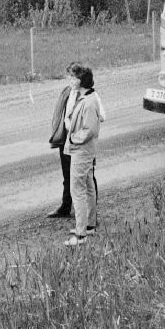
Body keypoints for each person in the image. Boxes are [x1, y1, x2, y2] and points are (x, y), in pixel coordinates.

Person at [63, 63, 105, 246]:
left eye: (73, 77)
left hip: (82, 151)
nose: (70, 80)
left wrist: (73, 139)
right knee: (88, 186)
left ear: (82, 80)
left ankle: (81, 235)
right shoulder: (86, 97)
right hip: (85, 150)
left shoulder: (88, 102)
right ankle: (89, 225)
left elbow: (90, 130)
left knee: (77, 190)